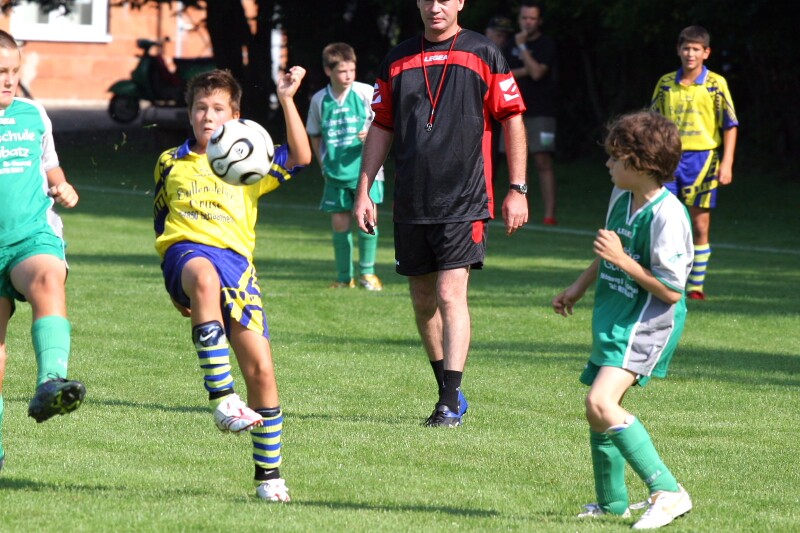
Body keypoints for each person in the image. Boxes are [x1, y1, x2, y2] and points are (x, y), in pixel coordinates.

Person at [353, 0, 528, 427]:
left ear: (460, 2)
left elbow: (512, 118)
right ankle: (449, 390)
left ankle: (448, 403)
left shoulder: (484, 52)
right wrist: (364, 190)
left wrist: (517, 188)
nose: (435, 7)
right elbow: (381, 125)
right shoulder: (396, 59)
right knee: (422, 299)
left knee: (451, 294)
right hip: (412, 199)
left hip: (465, 198)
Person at [152, 67, 312, 501]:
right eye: (200, 108)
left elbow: (301, 157)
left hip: (237, 268)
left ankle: (269, 478)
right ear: (189, 113)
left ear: (235, 115)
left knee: (262, 371)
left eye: (218, 109)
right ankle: (222, 399)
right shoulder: (170, 161)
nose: (208, 116)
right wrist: (174, 284)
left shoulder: (252, 161)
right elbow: (161, 220)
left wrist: (287, 99)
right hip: (186, 255)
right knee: (203, 277)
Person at [552, 111, 694, 529]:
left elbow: (671, 290)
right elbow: (610, 251)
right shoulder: (621, 194)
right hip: (614, 314)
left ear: (642, 165)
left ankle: (668, 491)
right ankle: (612, 503)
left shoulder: (668, 216)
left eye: (616, 157)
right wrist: (578, 286)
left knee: (600, 402)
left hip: (648, 321)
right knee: (601, 410)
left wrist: (621, 260)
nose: (608, 163)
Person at [0, 30, 86, 473]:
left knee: (49, 278)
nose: (8, 80)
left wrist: (63, 187)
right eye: (0, 72)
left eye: (13, 71)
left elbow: (51, 168)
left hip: (31, 236)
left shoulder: (33, 114)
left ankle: (51, 382)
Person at [649, 25, 738, 301]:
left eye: (696, 49)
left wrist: (727, 163)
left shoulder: (715, 84)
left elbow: (730, 124)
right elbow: (652, 123)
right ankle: (661, 278)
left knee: (699, 225)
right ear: (678, 50)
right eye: (686, 48)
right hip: (669, 159)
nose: (690, 54)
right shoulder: (666, 84)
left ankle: (695, 286)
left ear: (706, 53)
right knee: (661, 219)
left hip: (703, 160)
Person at [306, 42, 385, 291]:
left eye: (352, 70)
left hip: (367, 171)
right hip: (336, 173)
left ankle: (368, 274)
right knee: (340, 225)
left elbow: (385, 125)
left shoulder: (365, 93)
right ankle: (343, 278)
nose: (348, 75)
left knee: (368, 221)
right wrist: (323, 165)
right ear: (328, 71)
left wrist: (371, 135)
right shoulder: (319, 100)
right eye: (342, 71)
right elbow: (314, 135)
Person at [503, 0, 558, 225]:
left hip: (542, 113)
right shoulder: (508, 45)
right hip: (513, 113)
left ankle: (549, 214)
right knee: (514, 163)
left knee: (543, 161)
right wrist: (527, 69)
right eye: (524, 18)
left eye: (532, 18)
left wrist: (523, 48)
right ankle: (516, 210)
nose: (528, 22)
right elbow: (502, 75)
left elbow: (537, 74)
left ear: (539, 21)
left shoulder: (546, 44)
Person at [484, 16, 515, 189]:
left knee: (494, 156)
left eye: (505, 36)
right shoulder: (478, 51)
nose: (502, 39)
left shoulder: (510, 53)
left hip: (500, 113)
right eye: (498, 35)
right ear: (487, 33)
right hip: (481, 113)